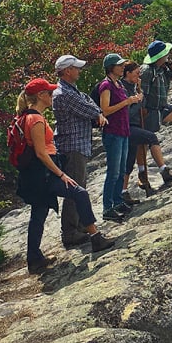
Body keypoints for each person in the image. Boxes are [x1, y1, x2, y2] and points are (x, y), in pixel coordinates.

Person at [15, 78, 115, 274]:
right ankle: (96, 238)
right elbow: (41, 153)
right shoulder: (35, 119)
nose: (53, 97)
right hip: (43, 174)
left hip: (35, 175)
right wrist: (61, 175)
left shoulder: (28, 116)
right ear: (41, 96)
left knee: (38, 215)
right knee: (79, 193)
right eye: (50, 94)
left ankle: (34, 259)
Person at [51, 54, 108, 247]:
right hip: (72, 146)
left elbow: (90, 102)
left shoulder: (71, 90)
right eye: (76, 68)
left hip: (78, 144)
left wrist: (98, 111)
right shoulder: (64, 94)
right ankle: (70, 232)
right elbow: (88, 109)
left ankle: (80, 225)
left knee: (79, 186)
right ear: (67, 71)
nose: (79, 71)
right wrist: (97, 113)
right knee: (75, 190)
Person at [116, 61, 172, 195]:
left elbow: (142, 103)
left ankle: (123, 192)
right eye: (136, 73)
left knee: (129, 160)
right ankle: (163, 170)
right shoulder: (122, 89)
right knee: (151, 138)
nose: (139, 76)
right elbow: (127, 113)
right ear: (128, 73)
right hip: (126, 126)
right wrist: (138, 101)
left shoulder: (134, 86)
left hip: (134, 125)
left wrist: (140, 95)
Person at [94, 53, 140, 221]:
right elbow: (104, 110)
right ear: (111, 68)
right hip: (113, 132)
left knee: (121, 170)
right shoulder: (106, 85)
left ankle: (118, 202)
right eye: (119, 65)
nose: (122, 67)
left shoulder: (119, 84)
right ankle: (107, 208)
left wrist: (131, 100)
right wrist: (126, 102)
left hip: (123, 131)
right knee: (113, 171)